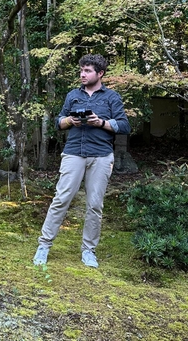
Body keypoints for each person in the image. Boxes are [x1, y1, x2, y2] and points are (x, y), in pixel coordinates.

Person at [33, 54, 130, 268]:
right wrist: (69, 121)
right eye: (81, 70)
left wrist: (102, 122)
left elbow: (124, 126)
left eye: (87, 71)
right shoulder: (73, 95)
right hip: (73, 153)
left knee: (95, 205)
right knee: (61, 199)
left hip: (101, 155)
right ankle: (44, 245)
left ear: (100, 73)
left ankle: (88, 250)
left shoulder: (112, 97)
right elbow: (59, 121)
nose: (82, 74)